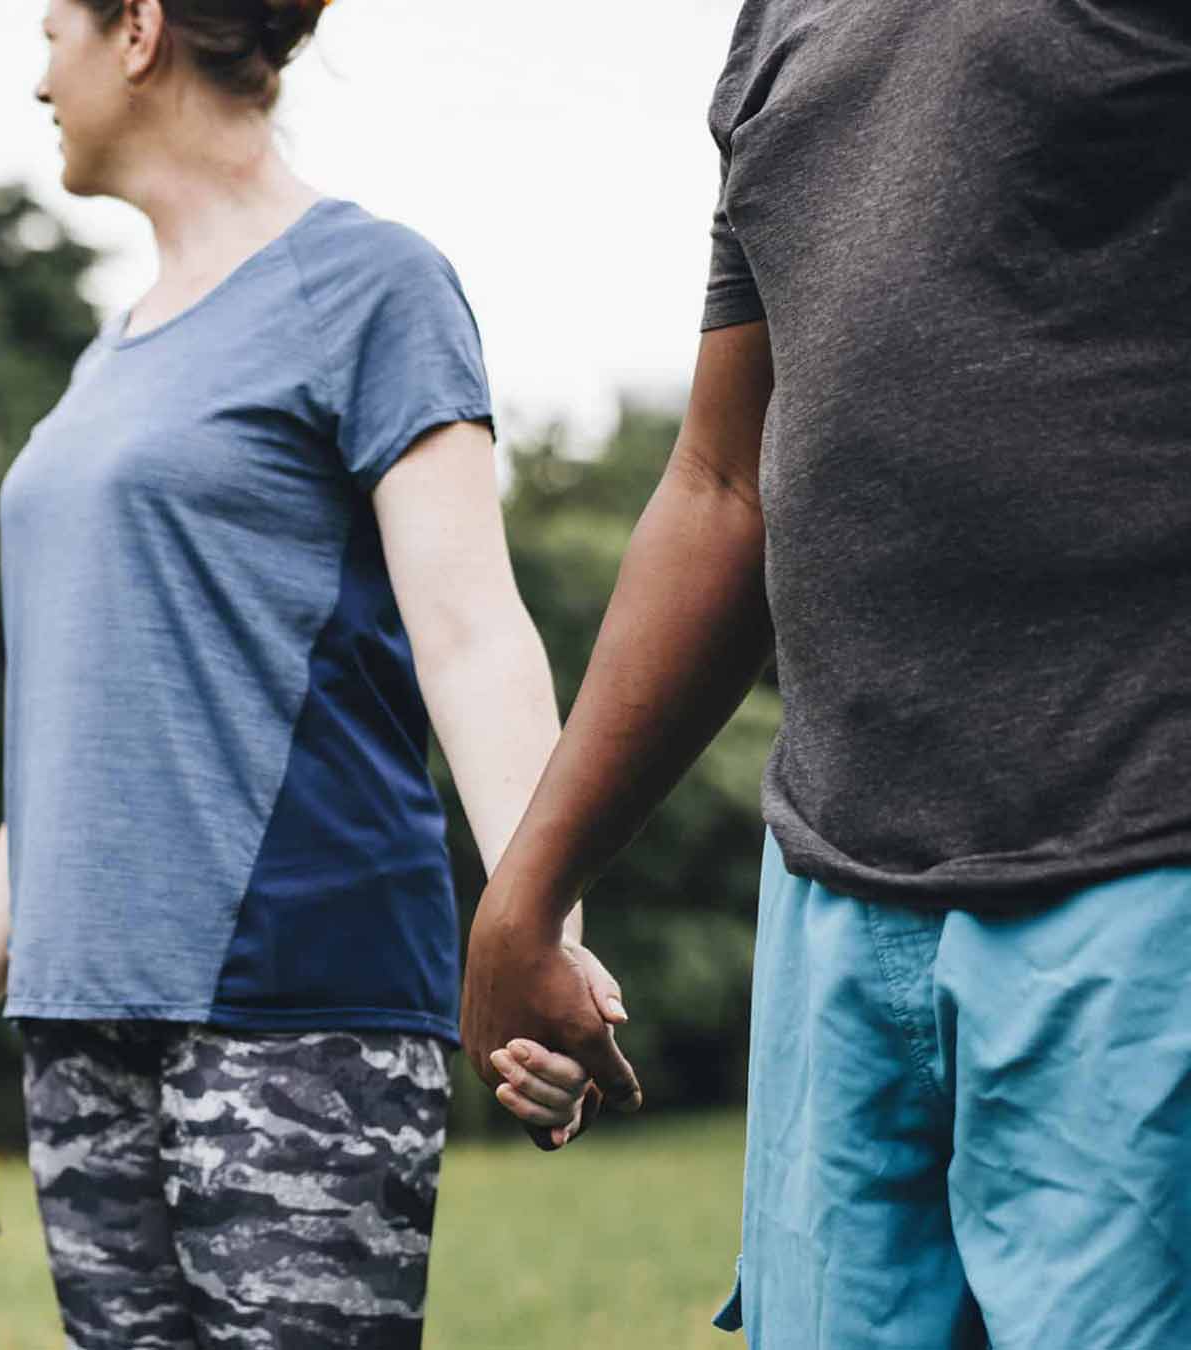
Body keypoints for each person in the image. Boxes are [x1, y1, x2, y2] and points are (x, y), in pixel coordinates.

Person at [0, 2, 610, 1344]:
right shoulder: (111, 357)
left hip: (294, 1009)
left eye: (54, 28)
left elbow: (473, 631)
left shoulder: (372, 283)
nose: (39, 71)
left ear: (140, 29)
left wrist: (548, 941)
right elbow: (73, 764)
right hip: (80, 1022)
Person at [458, 2, 1191, 1347]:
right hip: (837, 904)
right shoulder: (783, 20)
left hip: (1139, 875)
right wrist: (528, 891)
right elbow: (723, 483)